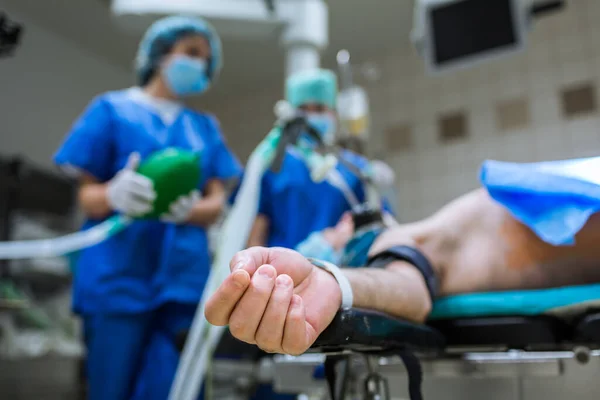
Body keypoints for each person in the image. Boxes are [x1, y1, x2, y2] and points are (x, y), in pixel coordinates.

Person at [53, 16, 242, 400]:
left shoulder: (204, 126)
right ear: (160, 54)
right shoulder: (111, 109)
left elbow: (217, 201)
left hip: (184, 283)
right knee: (111, 387)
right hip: (117, 277)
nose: (199, 64)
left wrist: (189, 210)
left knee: (177, 388)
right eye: (191, 52)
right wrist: (113, 196)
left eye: (205, 59)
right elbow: (85, 196)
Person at [205, 187, 600, 356]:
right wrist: (334, 280)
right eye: (333, 232)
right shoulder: (401, 243)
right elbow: (403, 284)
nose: (342, 221)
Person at [247, 68, 391, 250]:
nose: (311, 117)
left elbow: (378, 229)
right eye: (303, 110)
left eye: (319, 109)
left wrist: (336, 241)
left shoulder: (355, 168)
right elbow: (255, 237)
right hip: (282, 273)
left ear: (333, 113)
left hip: (341, 273)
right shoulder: (273, 168)